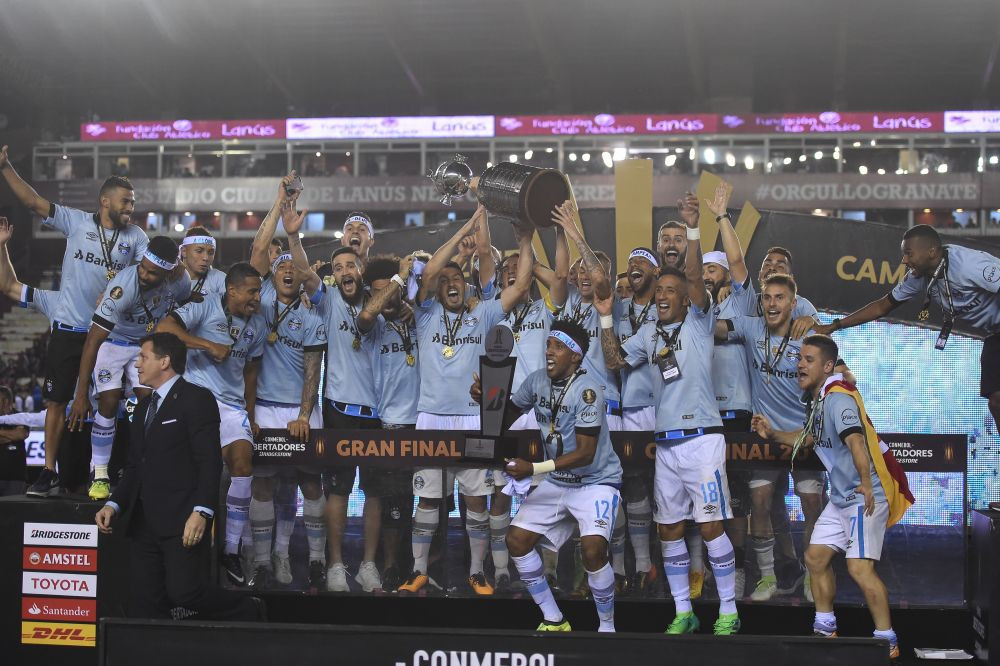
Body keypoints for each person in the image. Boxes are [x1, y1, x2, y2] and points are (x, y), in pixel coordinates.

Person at [597, 194, 740, 636]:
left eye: (670, 292)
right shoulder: (648, 333)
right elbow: (615, 360)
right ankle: (683, 611)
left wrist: (694, 227)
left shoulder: (699, 322)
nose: (662, 296)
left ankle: (729, 611)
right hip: (666, 444)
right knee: (669, 529)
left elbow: (695, 276)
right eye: (659, 291)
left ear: (686, 299)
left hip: (702, 439)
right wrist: (606, 318)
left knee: (711, 526)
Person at [398, 205, 534, 596]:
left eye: (458, 278)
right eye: (445, 281)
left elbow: (519, 287)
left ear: (467, 285)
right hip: (430, 419)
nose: (451, 283)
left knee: (476, 501)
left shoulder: (484, 313)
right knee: (427, 500)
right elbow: (428, 272)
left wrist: (525, 241)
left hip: (473, 419)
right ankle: (418, 571)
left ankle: (477, 573)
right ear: (437, 289)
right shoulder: (424, 313)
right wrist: (462, 233)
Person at [751, 334, 914, 660]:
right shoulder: (821, 400)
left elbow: (856, 442)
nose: (800, 365)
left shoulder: (838, 398)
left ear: (827, 366)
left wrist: (865, 484)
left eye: (808, 360)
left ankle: (888, 642)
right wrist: (773, 434)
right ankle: (825, 628)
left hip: (864, 495)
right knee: (815, 558)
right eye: (799, 358)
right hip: (842, 498)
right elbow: (809, 438)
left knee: (859, 568)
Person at [1, 146, 149, 497]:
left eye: (132, 202)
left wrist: (119, 293)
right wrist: (5, 167)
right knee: (56, 402)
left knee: (114, 405)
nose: (131, 208)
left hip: (111, 335)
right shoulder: (77, 222)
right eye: (125, 202)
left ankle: (113, 471)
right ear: (105, 201)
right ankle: (48, 471)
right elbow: (33, 203)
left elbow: (147, 277)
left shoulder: (136, 237)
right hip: (69, 330)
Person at [94, 333, 264, 621]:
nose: (136, 364)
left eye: (143, 357)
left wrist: (202, 511)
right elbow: (135, 466)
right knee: (145, 601)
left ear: (165, 361)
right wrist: (114, 504)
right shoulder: (143, 407)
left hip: (182, 520)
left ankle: (250, 609)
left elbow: (209, 462)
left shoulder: (197, 399)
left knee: (186, 593)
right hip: (142, 522)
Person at [472, 320, 623, 632]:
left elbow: (585, 453)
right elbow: (505, 418)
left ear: (576, 356)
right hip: (559, 481)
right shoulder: (536, 381)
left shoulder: (588, 391)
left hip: (596, 481)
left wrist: (533, 468)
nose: (549, 352)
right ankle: (554, 619)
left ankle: (607, 628)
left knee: (593, 551)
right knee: (516, 540)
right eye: (548, 345)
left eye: (559, 347)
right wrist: (486, 400)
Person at [815, 224, 1000, 432]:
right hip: (994, 334)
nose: (904, 260)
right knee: (996, 402)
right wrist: (835, 325)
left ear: (931, 252)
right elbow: (882, 306)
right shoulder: (919, 277)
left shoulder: (969, 264)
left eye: (909, 253)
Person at [289, 219, 386, 593]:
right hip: (339, 410)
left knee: (374, 492)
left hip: (378, 413)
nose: (346, 271)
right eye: (339, 267)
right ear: (334, 275)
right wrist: (294, 235)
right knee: (339, 491)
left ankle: (368, 566)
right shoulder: (328, 299)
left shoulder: (380, 300)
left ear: (362, 269)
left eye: (351, 266)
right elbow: (303, 272)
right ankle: (334, 565)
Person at [156, 262, 265, 586]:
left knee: (243, 465)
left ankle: (231, 549)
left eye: (259, 291)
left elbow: (251, 373)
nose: (257, 298)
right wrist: (207, 344)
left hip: (232, 406)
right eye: (251, 292)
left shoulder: (258, 323)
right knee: (195, 473)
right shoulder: (205, 305)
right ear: (232, 290)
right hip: (197, 400)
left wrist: (250, 414)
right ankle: (184, 542)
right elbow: (164, 328)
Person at [64, 236, 191, 500]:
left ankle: (149, 468)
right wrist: (80, 394)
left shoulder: (180, 281)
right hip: (112, 342)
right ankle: (100, 474)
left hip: (146, 343)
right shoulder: (122, 287)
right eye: (142, 267)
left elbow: (183, 307)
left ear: (168, 272)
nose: (143, 274)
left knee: (151, 404)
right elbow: (93, 341)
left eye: (152, 272)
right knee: (109, 401)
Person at [242, 202, 327, 590]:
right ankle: (263, 561)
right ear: (272, 275)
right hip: (263, 407)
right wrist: (278, 205)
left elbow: (313, 369)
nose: (288, 270)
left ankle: (313, 559)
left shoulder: (311, 314)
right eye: (281, 267)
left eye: (294, 267)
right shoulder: (259, 299)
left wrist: (304, 415)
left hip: (299, 409)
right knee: (263, 484)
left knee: (310, 483)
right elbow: (259, 250)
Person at [488, 229, 569, 594]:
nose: (511, 273)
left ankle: (548, 571)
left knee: (544, 491)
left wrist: (528, 254)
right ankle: (501, 570)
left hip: (542, 412)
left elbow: (561, 280)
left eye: (517, 269)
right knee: (501, 490)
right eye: (506, 270)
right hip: (502, 411)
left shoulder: (544, 309)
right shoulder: (492, 311)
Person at [361, 254, 421, 591]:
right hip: (384, 424)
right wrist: (396, 282)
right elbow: (367, 314)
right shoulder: (372, 325)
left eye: (391, 290)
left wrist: (409, 297)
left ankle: (423, 567)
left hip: (422, 423)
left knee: (424, 499)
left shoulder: (419, 316)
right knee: (388, 501)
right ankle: (389, 566)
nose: (385, 297)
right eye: (378, 291)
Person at [702, 248, 752, 599]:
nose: (707, 275)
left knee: (736, 497)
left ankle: (738, 569)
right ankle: (708, 566)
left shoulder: (742, 303)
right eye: (703, 270)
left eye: (712, 269)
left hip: (736, 409)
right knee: (707, 494)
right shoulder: (696, 307)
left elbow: (739, 265)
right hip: (704, 412)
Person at [615, 247, 661, 596]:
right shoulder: (618, 309)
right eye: (631, 262)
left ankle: (683, 565)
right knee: (631, 483)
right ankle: (640, 564)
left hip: (662, 405)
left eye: (642, 261)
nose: (634, 265)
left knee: (667, 486)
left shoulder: (667, 308)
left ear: (656, 272)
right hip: (627, 406)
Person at [180, 227, 226, 297]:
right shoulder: (169, 280)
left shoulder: (219, 280)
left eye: (210, 253)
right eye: (199, 251)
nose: (206, 258)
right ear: (184, 251)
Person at [0, 386, 29, 496]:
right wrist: (12, 436)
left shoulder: (21, 417)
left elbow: (21, 434)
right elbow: (17, 435)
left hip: (16, 478)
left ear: (5, 401)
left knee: (14, 507)